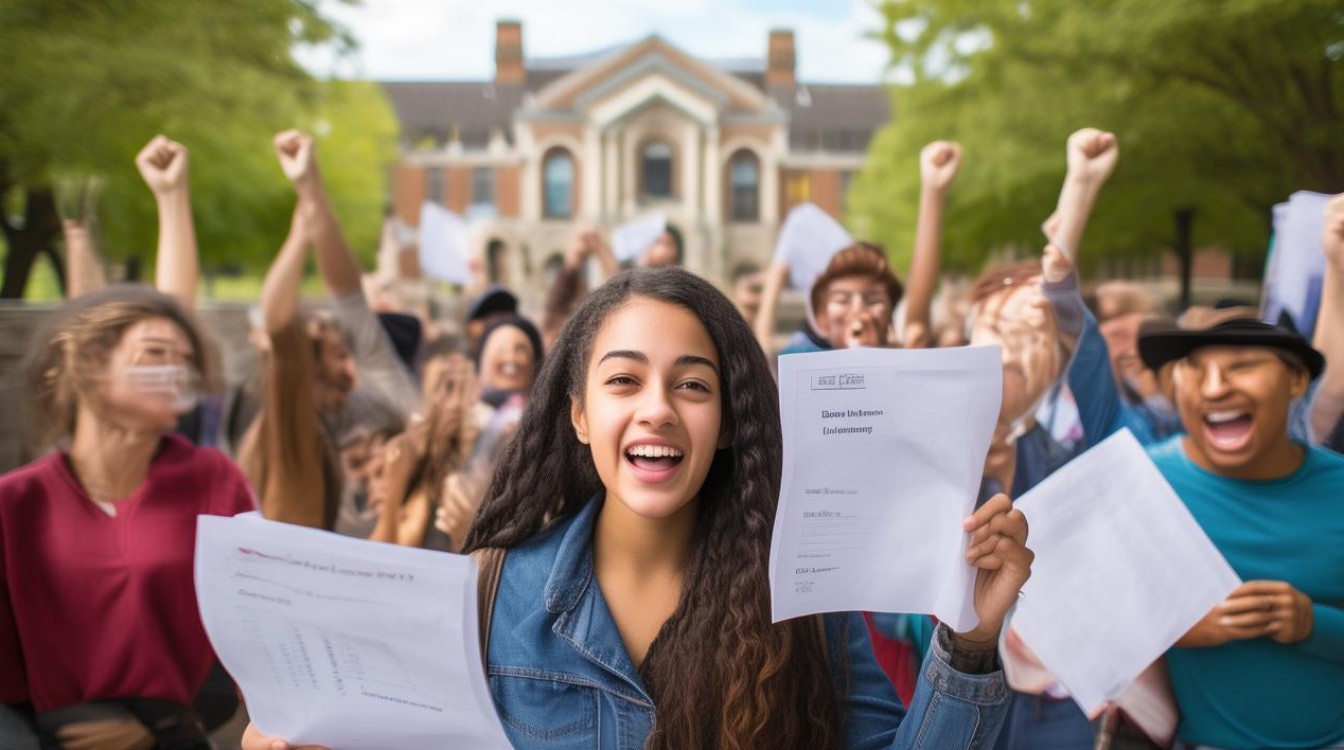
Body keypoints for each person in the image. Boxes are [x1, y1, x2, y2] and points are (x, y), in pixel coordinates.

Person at [243, 267, 1033, 750]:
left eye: (692, 385)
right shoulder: (488, 597)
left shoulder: (806, 604)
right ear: (580, 415)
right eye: (624, 380)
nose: (657, 408)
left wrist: (971, 640)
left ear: (726, 427)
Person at [1, 286, 255, 750]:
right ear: (88, 364)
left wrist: (161, 731)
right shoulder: (14, 502)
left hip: (177, 731)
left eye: (185, 359)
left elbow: (254, 626)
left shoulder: (214, 480)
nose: (176, 370)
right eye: (155, 352)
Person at [1137, 316, 1344, 748]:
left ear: (1296, 380)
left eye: (1242, 365)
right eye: (1195, 369)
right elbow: (1071, 629)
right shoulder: (1140, 484)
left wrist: (1312, 624)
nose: (1214, 388)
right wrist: (1170, 630)